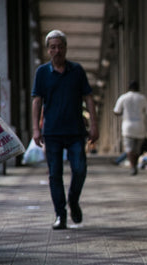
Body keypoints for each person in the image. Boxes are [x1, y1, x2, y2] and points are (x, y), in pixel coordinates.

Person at [31, 29, 99, 230]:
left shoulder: (77, 70)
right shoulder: (42, 73)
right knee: (54, 174)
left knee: (80, 169)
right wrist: (36, 128)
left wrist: (94, 124)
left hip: (76, 131)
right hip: (51, 132)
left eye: (60, 46)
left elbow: (88, 98)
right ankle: (60, 215)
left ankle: (73, 200)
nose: (57, 50)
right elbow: (37, 101)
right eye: (53, 47)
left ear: (66, 48)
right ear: (48, 50)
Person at [113, 81, 147, 175]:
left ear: (128, 87)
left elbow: (116, 111)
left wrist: (124, 113)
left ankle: (133, 166)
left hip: (127, 126)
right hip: (140, 125)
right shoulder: (142, 98)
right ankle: (135, 165)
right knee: (137, 149)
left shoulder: (123, 97)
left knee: (129, 149)